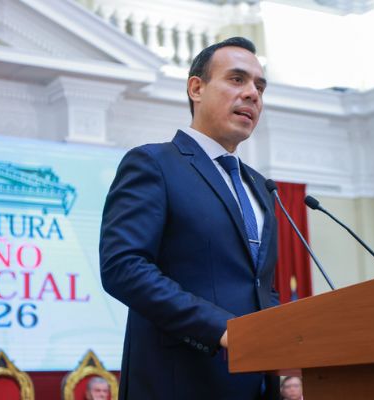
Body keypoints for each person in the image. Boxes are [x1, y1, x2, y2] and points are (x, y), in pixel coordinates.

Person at [99, 36, 279, 399]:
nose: (252, 94)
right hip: (179, 381)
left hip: (257, 384)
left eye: (259, 87)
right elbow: (124, 267)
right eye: (237, 79)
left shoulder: (261, 187)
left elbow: (260, 287)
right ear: (196, 88)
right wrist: (220, 329)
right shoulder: (154, 163)